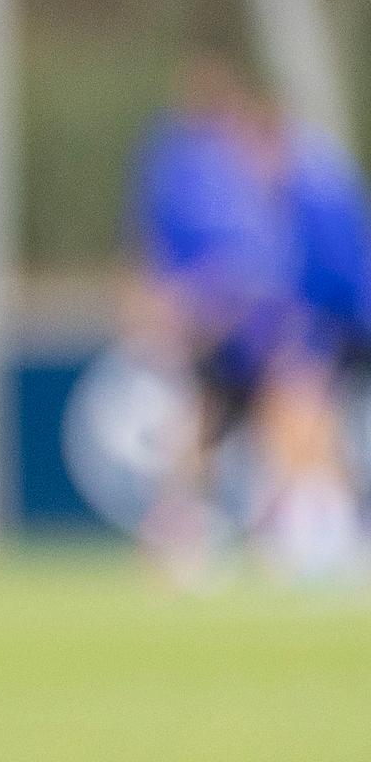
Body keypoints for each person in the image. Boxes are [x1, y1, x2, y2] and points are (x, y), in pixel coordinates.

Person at [127, 46, 359, 581]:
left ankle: (320, 529)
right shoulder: (205, 181)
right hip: (240, 336)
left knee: (296, 407)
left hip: (296, 330)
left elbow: (316, 281)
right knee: (212, 421)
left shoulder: (304, 187)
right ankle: (182, 538)